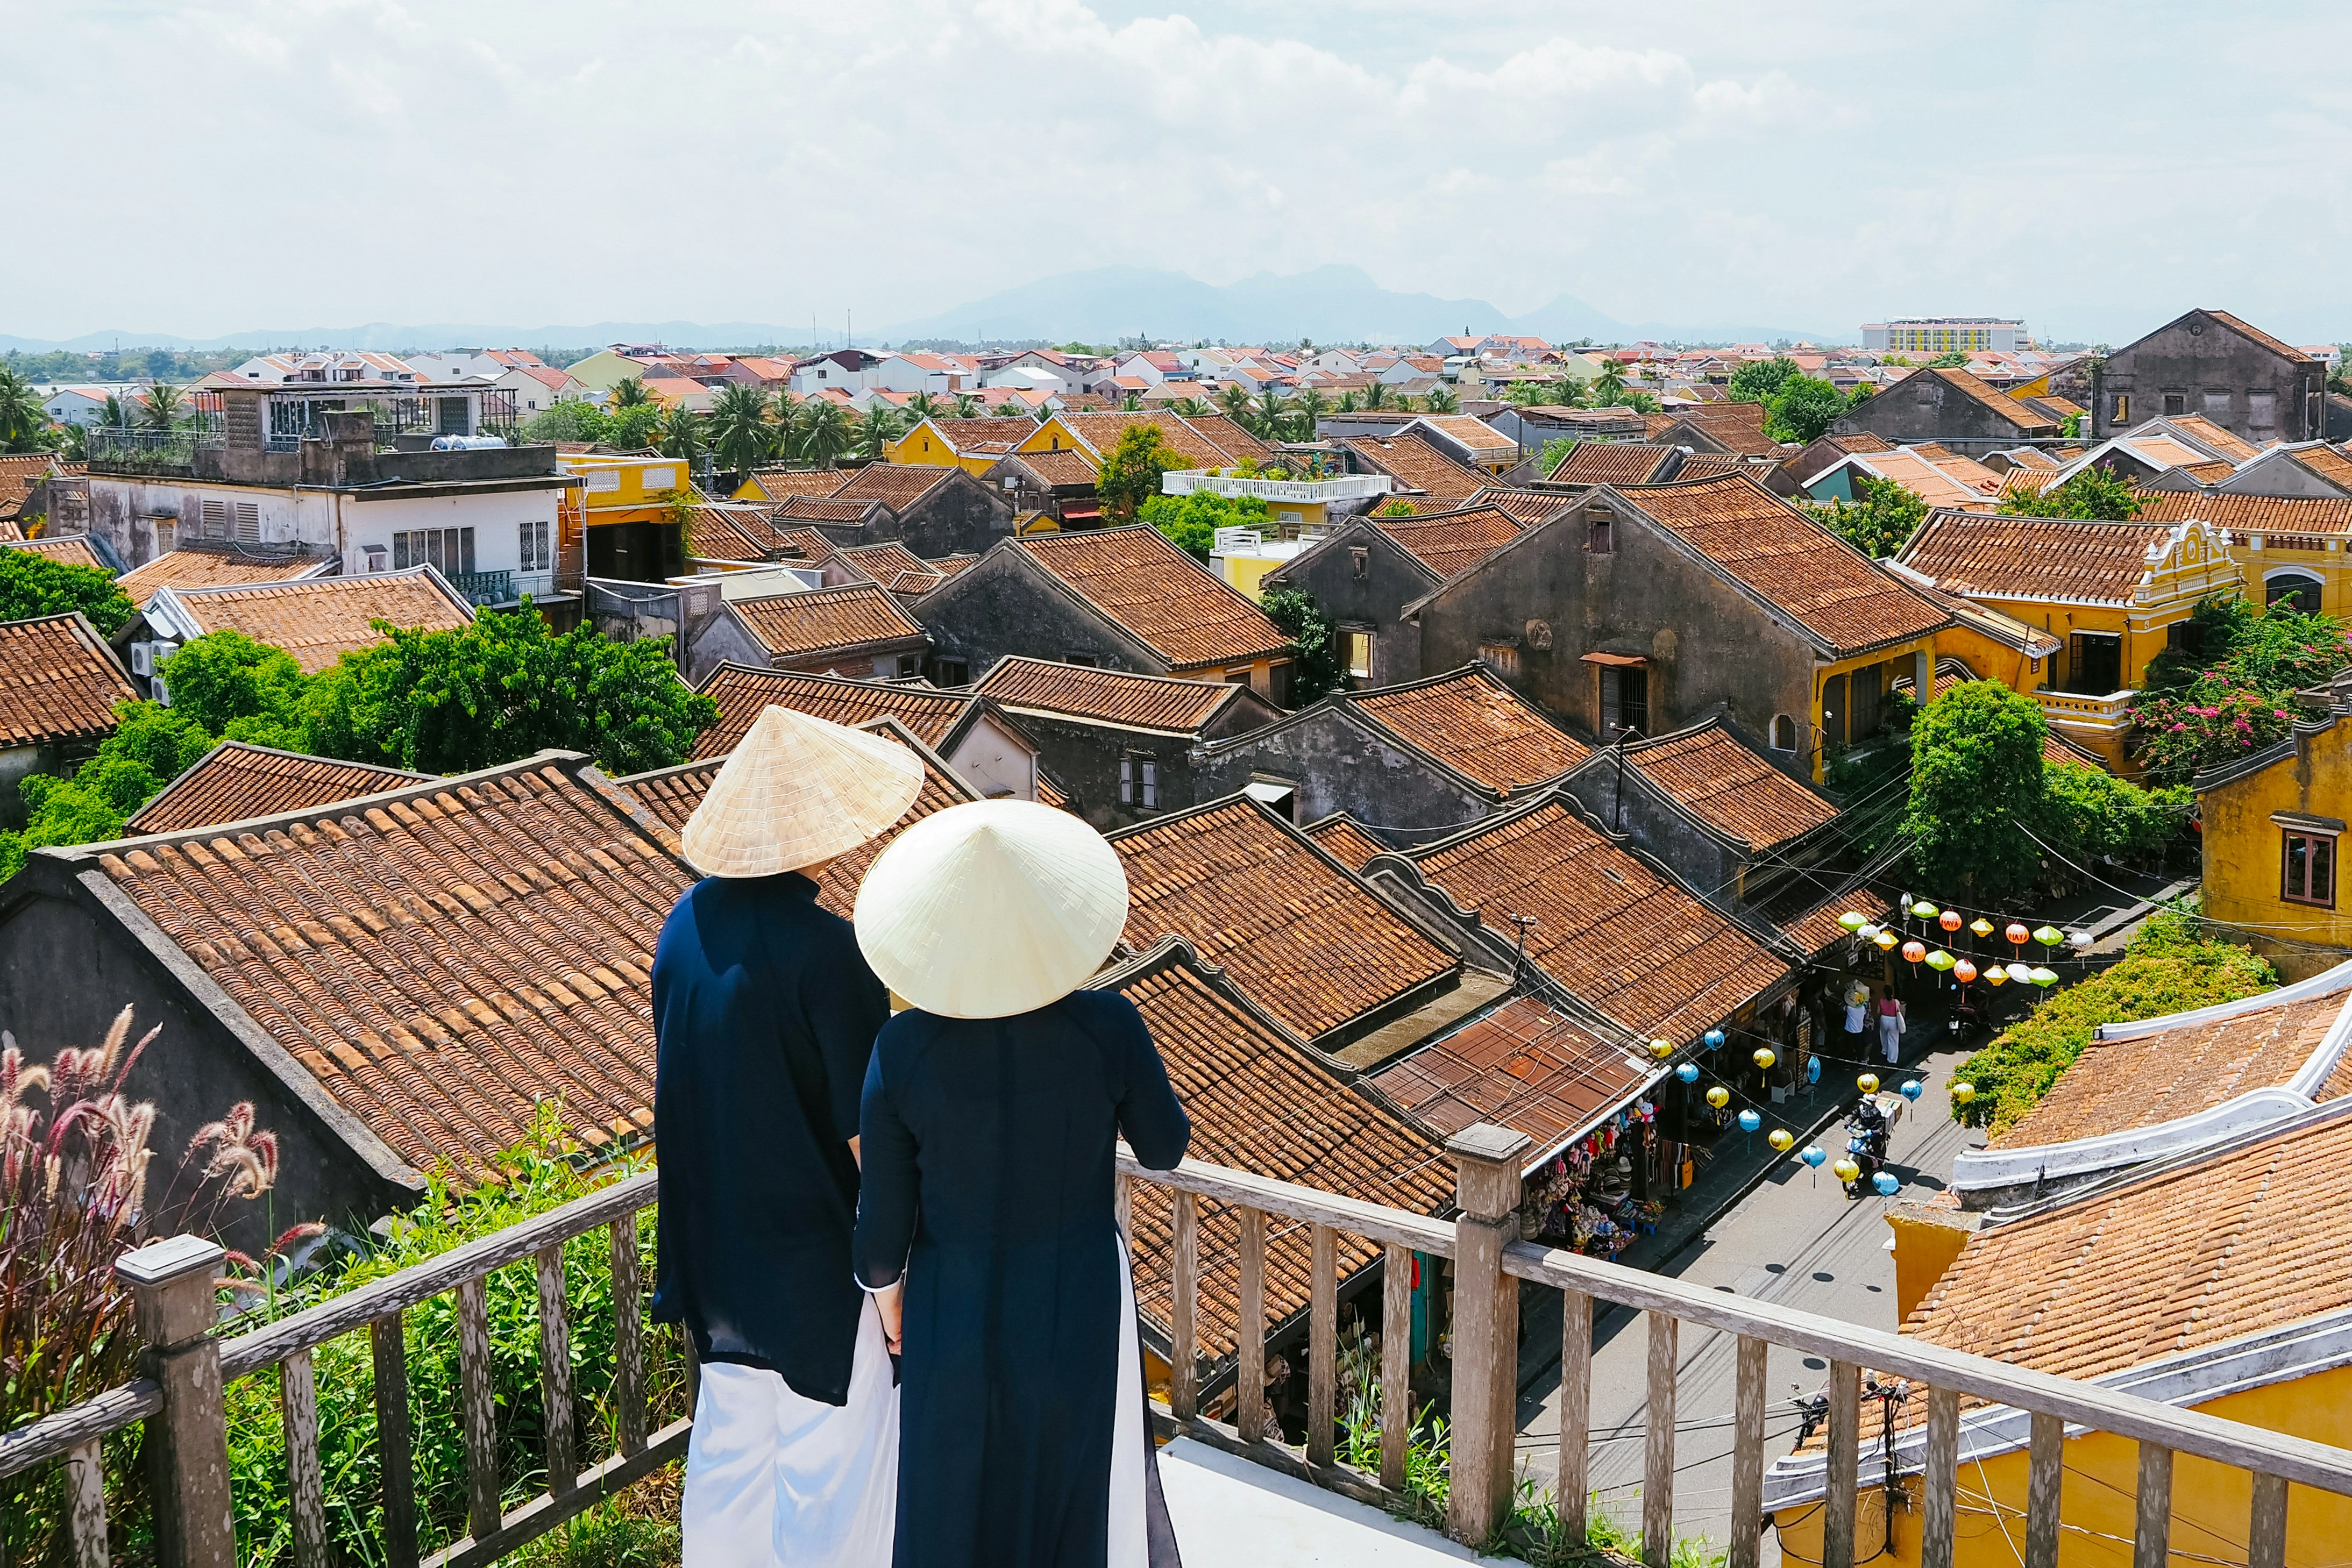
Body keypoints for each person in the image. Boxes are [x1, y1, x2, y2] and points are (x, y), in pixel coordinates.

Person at [850, 800, 1192, 1568]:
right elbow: (1166, 1148)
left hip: (954, 1304)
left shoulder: (902, 1047)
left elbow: (879, 1243)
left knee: (958, 1496)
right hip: (1078, 1293)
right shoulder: (1108, 1026)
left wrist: (893, 1302)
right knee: (1077, 1489)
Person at [651, 707, 926, 1568]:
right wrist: (891, 1284)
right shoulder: (830, 953)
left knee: (730, 1464)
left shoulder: (682, 928)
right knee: (832, 1484)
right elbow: (862, 1139)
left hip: (717, 1254)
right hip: (816, 1262)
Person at [1875, 985, 1908, 1065]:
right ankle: (1892, 1059)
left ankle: (1884, 1051)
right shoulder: (1896, 1002)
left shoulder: (1881, 1001)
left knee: (1883, 1036)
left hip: (1884, 1019)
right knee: (1893, 1040)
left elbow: (1878, 1012)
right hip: (1893, 1020)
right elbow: (1900, 1011)